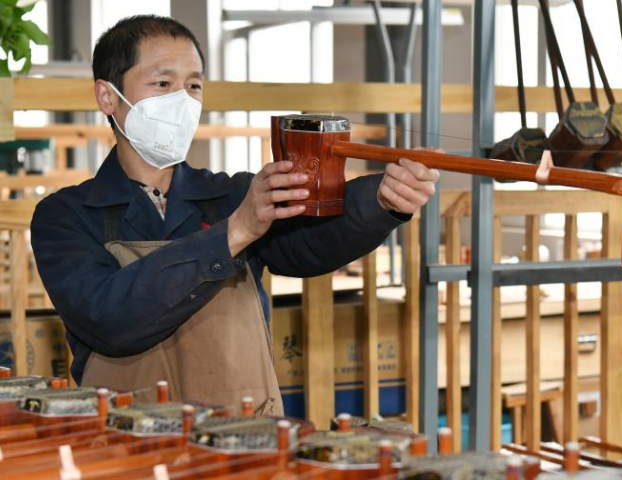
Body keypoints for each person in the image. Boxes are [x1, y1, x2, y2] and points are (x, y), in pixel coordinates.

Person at [30, 15, 438, 416]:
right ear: (107, 97)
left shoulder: (231, 194)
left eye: (193, 85)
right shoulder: (65, 216)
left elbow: (311, 243)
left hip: (244, 436)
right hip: (128, 442)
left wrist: (382, 201)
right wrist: (234, 232)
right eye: (162, 83)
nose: (182, 100)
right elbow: (110, 320)